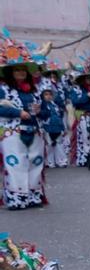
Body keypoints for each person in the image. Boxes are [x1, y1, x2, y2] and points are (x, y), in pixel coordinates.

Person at [0, 52, 49, 210]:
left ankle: (34, 196)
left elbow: (47, 112)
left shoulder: (35, 91)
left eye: (23, 69)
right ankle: (16, 198)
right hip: (13, 132)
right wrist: (17, 112)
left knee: (36, 163)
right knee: (16, 163)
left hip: (35, 132)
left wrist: (40, 111)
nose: (21, 72)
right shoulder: (3, 89)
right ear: (10, 72)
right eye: (17, 70)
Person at [39, 87, 68, 168]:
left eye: (50, 95)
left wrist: (63, 128)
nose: (48, 96)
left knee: (59, 145)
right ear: (42, 96)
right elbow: (41, 116)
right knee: (49, 145)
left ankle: (61, 161)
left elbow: (60, 117)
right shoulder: (42, 105)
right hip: (48, 127)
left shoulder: (55, 105)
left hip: (58, 127)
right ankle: (49, 162)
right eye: (46, 95)